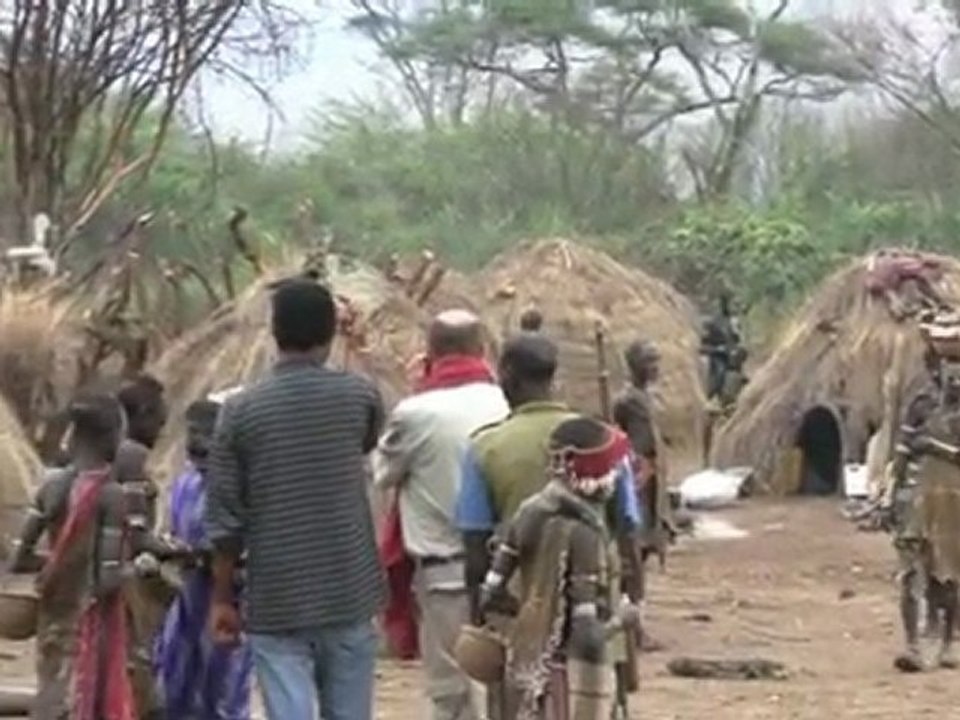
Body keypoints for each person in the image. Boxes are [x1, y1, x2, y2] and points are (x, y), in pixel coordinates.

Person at [205, 278, 385, 720]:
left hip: (277, 594)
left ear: (273, 332)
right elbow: (367, 438)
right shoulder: (358, 396)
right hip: (349, 589)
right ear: (330, 334)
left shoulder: (240, 412)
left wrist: (222, 598)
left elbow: (225, 520)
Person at [456, 334, 642, 720]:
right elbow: (628, 532)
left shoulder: (486, 447)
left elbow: (475, 548)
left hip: (522, 623)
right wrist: (632, 604)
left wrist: (483, 614)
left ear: (506, 376)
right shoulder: (604, 444)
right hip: (597, 614)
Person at [374, 309, 509, 720]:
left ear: (430, 353)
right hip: (507, 568)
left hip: (443, 573)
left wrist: (417, 388)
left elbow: (383, 473)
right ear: (482, 350)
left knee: (451, 690)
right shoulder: (506, 401)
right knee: (502, 683)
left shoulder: (415, 413)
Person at [478, 416, 639, 720]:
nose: (618, 477)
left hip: (525, 668)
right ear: (596, 475)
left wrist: (532, 616)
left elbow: (489, 596)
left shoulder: (528, 514)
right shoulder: (585, 535)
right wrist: (622, 620)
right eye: (613, 468)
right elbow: (586, 635)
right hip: (571, 679)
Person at [10, 390, 135, 719]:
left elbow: (19, 559)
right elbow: (107, 580)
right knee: (81, 697)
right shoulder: (111, 495)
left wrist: (56, 563)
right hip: (88, 618)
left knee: (50, 689)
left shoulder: (50, 486)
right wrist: (139, 567)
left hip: (52, 612)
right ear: (110, 437)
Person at [154, 398, 253, 719]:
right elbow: (176, 530)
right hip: (189, 592)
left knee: (224, 682)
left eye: (206, 435)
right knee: (178, 673)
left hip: (231, 594)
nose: (197, 442)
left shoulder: (244, 486)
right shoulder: (187, 484)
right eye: (192, 433)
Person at [887, 340, 960, 673]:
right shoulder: (920, 405)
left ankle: (948, 644)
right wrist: (889, 497)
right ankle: (912, 646)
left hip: (953, 502)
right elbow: (901, 454)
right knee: (909, 574)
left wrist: (933, 446)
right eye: (947, 364)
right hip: (916, 499)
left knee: (949, 577)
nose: (954, 373)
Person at [116, 375, 184, 719]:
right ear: (141, 413)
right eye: (158, 420)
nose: (160, 430)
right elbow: (137, 536)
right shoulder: (132, 457)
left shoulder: (111, 451)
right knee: (136, 665)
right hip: (122, 576)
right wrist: (179, 551)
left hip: (105, 571)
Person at [613, 339, 672, 651]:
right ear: (634, 364)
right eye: (649, 360)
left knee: (640, 558)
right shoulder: (631, 401)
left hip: (649, 487)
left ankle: (634, 622)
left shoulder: (642, 398)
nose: (655, 366)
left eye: (656, 360)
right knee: (632, 561)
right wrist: (639, 480)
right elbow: (636, 448)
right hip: (639, 486)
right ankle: (631, 626)